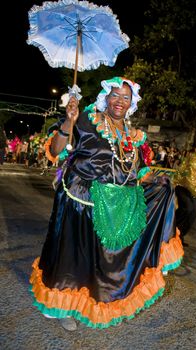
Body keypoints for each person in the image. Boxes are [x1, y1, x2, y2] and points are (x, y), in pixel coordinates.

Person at [29, 77, 184, 331]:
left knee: (100, 261)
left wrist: (158, 181)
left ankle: (93, 301)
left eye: (126, 97)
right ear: (105, 97)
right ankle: (61, 306)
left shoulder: (133, 137)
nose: (119, 102)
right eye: (115, 95)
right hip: (80, 201)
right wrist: (69, 119)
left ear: (132, 103)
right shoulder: (86, 121)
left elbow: (138, 171)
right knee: (72, 260)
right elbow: (56, 150)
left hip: (115, 204)